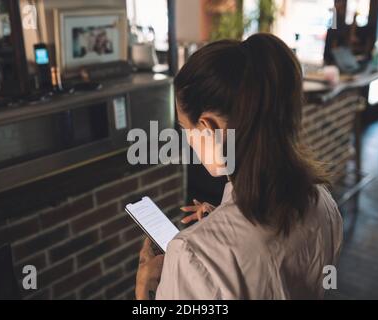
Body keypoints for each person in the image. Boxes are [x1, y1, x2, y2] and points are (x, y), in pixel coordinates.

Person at [135, 33, 343, 300]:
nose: (188, 140)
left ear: (208, 127)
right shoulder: (324, 204)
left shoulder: (190, 255)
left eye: (186, 128)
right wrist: (222, 220)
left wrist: (144, 288)